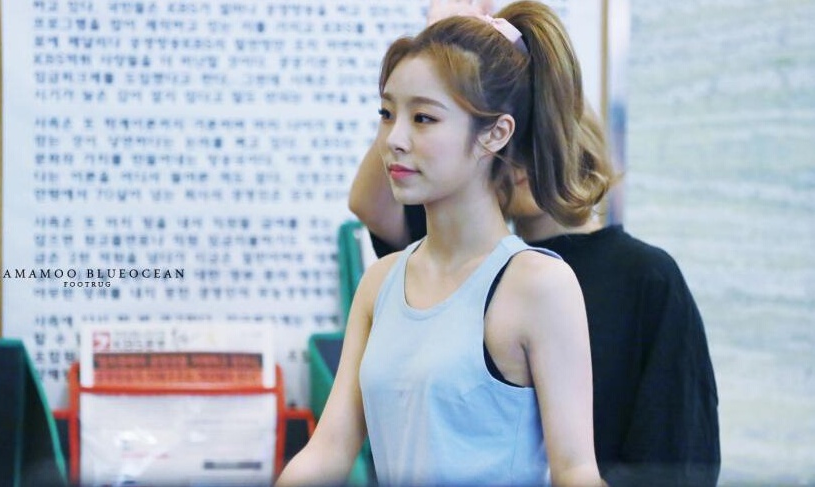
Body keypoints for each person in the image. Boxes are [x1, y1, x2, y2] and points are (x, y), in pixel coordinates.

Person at [348, 5, 721, 487]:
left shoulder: (643, 277)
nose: (509, 161)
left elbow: (679, 455)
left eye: (520, 143)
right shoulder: (460, 271)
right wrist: (435, 65)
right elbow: (371, 203)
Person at [277, 2, 610, 486]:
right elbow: (329, 449)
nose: (394, 138)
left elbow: (575, 469)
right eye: (387, 114)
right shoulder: (380, 283)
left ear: (495, 133)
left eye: (423, 118)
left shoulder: (539, 284)